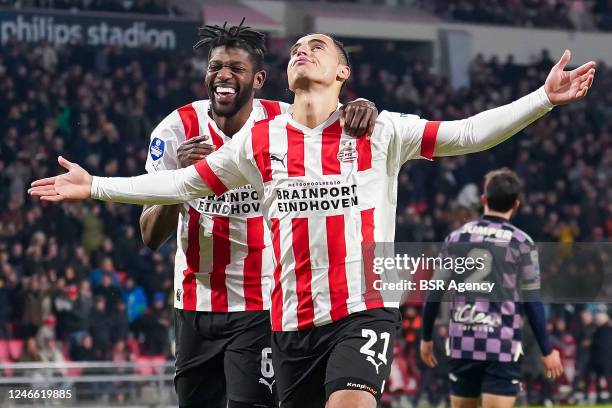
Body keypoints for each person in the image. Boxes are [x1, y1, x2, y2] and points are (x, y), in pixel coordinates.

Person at [29, 33, 595, 408]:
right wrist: (95, 185)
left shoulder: (379, 129)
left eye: (317, 45)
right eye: (297, 46)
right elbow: (181, 184)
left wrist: (541, 98)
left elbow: (468, 133)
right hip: (290, 321)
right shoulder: (261, 141)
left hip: (362, 310)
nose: (303, 49)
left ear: (344, 70)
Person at [140, 21, 378, 408]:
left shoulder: (281, 121)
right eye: (216, 66)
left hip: (261, 305)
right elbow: (150, 235)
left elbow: (333, 118)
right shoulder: (176, 129)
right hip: (193, 307)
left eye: (236, 68)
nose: (224, 76)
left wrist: (361, 106)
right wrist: (178, 182)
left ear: (258, 79)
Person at [419, 169, 564, 408]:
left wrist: (426, 337)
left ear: (484, 200)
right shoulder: (521, 242)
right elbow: (532, 301)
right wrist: (547, 350)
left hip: (463, 341)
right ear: (516, 205)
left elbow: (434, 292)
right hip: (501, 345)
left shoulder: (456, 238)